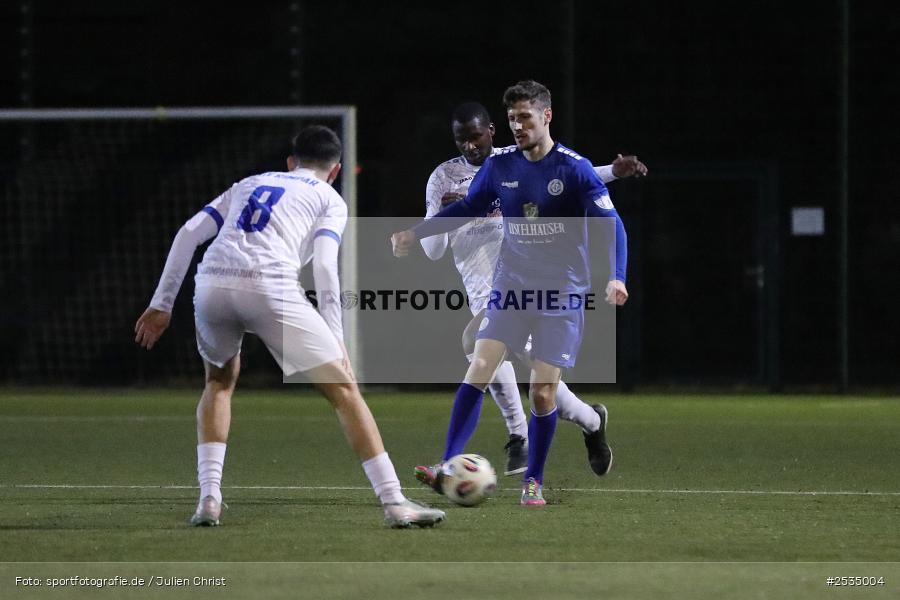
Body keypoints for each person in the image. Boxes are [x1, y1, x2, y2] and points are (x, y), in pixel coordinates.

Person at [135, 125, 445, 528]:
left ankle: (208, 499)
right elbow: (323, 266)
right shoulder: (328, 198)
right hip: (269, 287)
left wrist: (161, 304)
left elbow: (189, 233)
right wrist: (337, 338)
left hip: (211, 283)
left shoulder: (249, 182)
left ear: (290, 162)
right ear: (335, 171)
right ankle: (394, 502)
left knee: (219, 382)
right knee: (344, 393)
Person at [393, 81, 629, 506]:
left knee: (543, 391)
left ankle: (534, 477)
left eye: (525, 117)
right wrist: (418, 231)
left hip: (560, 295)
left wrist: (617, 276)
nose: (518, 126)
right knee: (479, 363)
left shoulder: (572, 167)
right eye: (513, 119)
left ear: (546, 116)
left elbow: (613, 224)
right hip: (510, 288)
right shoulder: (499, 169)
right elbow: (466, 209)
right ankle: (450, 461)